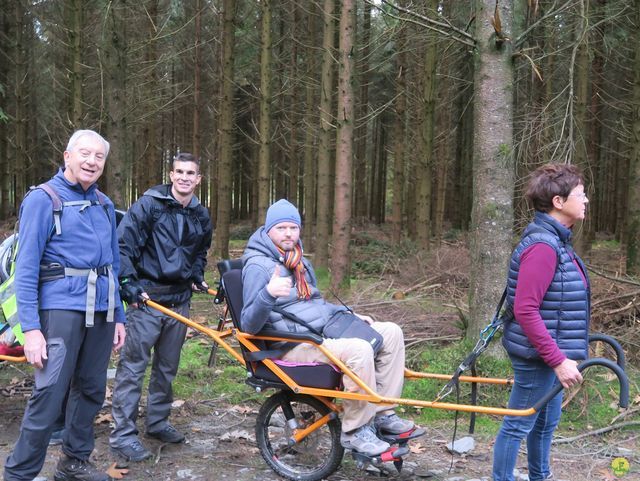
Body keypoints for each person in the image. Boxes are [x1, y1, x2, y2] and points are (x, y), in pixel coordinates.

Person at [241, 199, 416, 457]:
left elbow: (317, 304)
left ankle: (382, 413)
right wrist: (267, 294)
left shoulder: (299, 262)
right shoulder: (258, 266)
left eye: (293, 227)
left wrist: (349, 315)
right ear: (268, 231)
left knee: (390, 332)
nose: (288, 233)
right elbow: (248, 325)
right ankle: (356, 431)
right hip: (290, 345)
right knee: (358, 349)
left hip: (317, 333)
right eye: (281, 228)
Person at [4, 130, 127, 481]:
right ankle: (19, 473)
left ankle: (74, 463)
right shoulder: (44, 199)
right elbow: (25, 269)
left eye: (99, 157)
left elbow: (113, 266)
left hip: (101, 312)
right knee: (49, 393)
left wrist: (118, 315)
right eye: (84, 154)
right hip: (59, 310)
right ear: (67, 156)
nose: (91, 162)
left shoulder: (104, 205)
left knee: (90, 390)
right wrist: (30, 329)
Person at [109, 153, 212, 462]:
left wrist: (196, 275)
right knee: (133, 368)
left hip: (179, 302)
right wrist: (127, 282)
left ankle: (157, 422)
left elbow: (200, 251)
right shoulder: (148, 206)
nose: (183, 177)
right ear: (171, 174)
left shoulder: (200, 214)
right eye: (178, 171)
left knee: (167, 368)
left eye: (190, 173)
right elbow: (123, 245)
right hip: (147, 300)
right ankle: (123, 434)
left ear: (198, 179)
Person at [492, 164, 589, 481]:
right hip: (539, 357)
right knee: (518, 422)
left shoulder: (557, 241)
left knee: (545, 421)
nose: (586, 199)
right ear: (559, 202)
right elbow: (526, 309)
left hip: (549, 354)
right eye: (580, 193)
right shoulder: (543, 247)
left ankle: (540, 476)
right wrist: (558, 359)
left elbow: (557, 304)